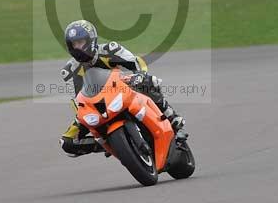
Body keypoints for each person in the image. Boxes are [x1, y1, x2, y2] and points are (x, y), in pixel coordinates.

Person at [58, 19, 187, 157]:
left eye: (80, 42)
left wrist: (140, 75)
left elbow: (136, 62)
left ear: (91, 40)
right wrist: (79, 110)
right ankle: (107, 145)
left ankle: (173, 119)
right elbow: (77, 97)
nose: (77, 47)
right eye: (74, 44)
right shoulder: (71, 69)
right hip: (95, 105)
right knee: (67, 142)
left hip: (123, 88)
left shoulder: (109, 50)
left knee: (149, 82)